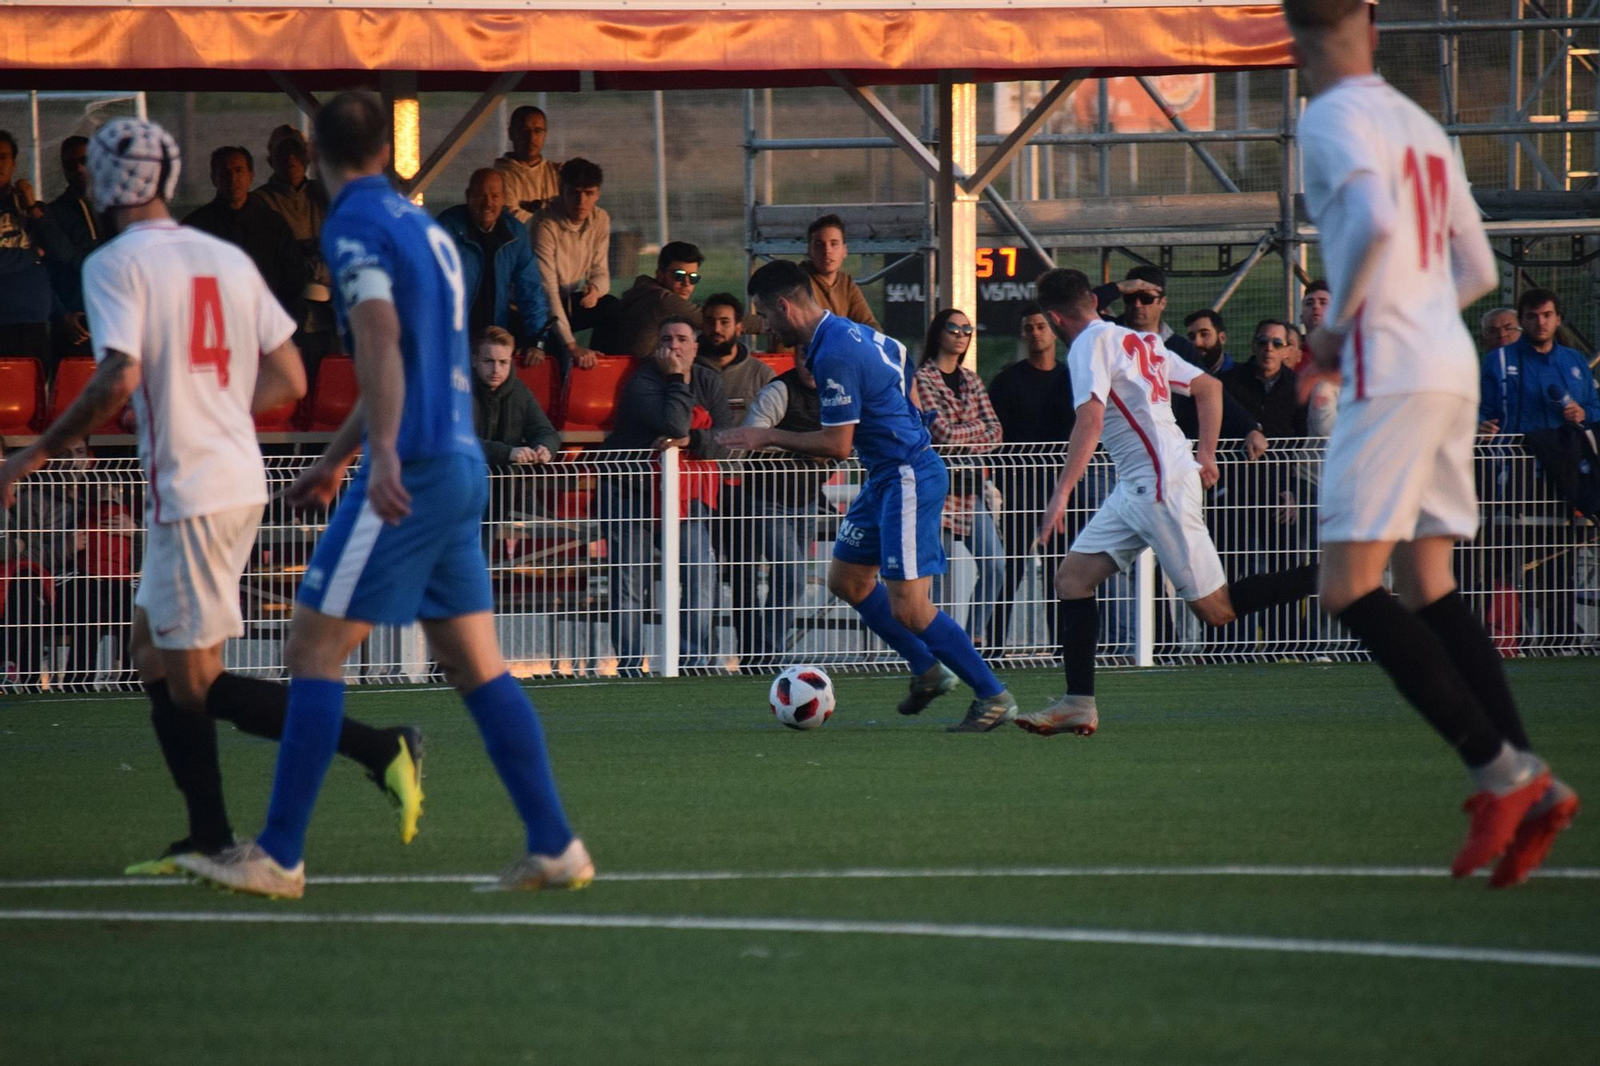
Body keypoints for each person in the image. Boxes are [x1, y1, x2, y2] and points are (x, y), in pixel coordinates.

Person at [176, 93, 590, 899]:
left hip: (418, 466)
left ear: (317, 152)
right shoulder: (423, 227)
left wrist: (385, 458)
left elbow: (374, 339)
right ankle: (554, 844)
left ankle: (280, 855)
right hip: (460, 461)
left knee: (312, 650)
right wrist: (339, 457)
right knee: (475, 664)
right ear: (387, 151)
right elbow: (411, 351)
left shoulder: (354, 223)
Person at [0, 116, 422, 875]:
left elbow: (118, 378)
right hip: (229, 476)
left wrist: (29, 455)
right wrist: (220, 409)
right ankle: (205, 836)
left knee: (195, 680)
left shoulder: (115, 262)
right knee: (153, 660)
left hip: (192, 487)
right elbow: (292, 377)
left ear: (103, 178)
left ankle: (375, 745)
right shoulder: (220, 257)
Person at [1289, 0, 1575, 887]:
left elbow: (1374, 223)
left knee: (1348, 585)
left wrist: (1337, 331)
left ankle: (1501, 772)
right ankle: (1533, 776)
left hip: (1394, 371)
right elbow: (1480, 269)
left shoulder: (1329, 116)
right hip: (1451, 362)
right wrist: (1421, 319)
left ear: (1294, 39)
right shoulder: (1418, 121)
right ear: (1372, 30)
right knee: (1429, 580)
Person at [1015, 268, 1317, 738]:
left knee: (1215, 611)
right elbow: (1209, 388)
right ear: (1091, 302)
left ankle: (1335, 574)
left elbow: (1090, 422)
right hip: (1140, 485)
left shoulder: (1088, 346)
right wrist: (1206, 452)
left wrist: (1060, 494)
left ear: (1054, 318)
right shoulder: (1141, 341)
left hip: (1158, 485)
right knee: (1072, 579)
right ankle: (1078, 702)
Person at [719, 260, 1017, 732]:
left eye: (765, 315)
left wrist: (767, 436)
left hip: (907, 477)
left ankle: (992, 695)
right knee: (849, 581)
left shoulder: (833, 352)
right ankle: (928, 670)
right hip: (886, 475)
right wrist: (904, 423)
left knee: (911, 607)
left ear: (783, 305)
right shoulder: (849, 332)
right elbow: (901, 361)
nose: (766, 327)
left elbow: (836, 447)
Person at [595, 316, 733, 674]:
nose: (674, 346)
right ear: (656, 347)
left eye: (682, 339)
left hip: (685, 496)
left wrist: (693, 440)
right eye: (666, 339)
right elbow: (672, 423)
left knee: (701, 573)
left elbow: (724, 439)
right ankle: (628, 667)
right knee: (629, 581)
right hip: (629, 492)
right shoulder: (641, 381)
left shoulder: (709, 380)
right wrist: (676, 379)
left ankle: (693, 662)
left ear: (695, 347)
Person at [1478, 287, 1600, 647]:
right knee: (1506, 560)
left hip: (1564, 475)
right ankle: (1505, 638)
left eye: (1546, 315)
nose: (1539, 322)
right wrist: (1480, 425)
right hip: (1515, 476)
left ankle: (1558, 639)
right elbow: (1481, 410)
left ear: (1557, 319)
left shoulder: (1575, 362)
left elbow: (1594, 409)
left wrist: (1583, 414)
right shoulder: (1498, 362)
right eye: (1531, 316)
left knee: (1559, 560)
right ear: (1523, 320)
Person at [984, 304, 1077, 651]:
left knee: (1061, 571)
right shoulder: (1007, 381)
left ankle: (1061, 647)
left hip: (1062, 491)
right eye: (1029, 328)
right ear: (1023, 334)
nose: (1036, 333)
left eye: (1041, 326)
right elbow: (995, 437)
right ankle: (992, 646)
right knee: (1010, 569)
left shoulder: (1071, 378)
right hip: (1020, 490)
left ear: (1053, 330)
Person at [913, 308, 1006, 644]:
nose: (961, 334)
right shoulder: (922, 379)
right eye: (954, 327)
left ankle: (971, 636)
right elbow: (941, 434)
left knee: (995, 564)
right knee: (938, 574)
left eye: (967, 329)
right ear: (939, 332)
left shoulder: (972, 379)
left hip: (970, 488)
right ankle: (936, 643)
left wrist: (967, 432)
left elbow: (996, 433)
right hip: (937, 490)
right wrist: (976, 430)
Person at [694, 291, 775, 662]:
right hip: (699, 485)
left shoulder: (761, 374)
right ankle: (700, 660)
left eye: (724, 321)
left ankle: (753, 658)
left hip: (744, 487)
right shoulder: (688, 368)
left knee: (744, 574)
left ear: (739, 327)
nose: (716, 328)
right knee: (699, 577)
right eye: (710, 320)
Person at [740, 358, 830, 659]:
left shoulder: (836, 393)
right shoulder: (778, 391)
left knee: (791, 579)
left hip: (806, 499)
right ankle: (769, 655)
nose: (810, 363)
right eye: (804, 355)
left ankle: (765, 653)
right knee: (791, 575)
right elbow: (752, 439)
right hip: (766, 498)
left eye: (815, 356)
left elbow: (847, 441)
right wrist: (809, 445)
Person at [182, 146, 305, 319]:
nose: (233, 178)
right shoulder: (195, 228)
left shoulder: (273, 224)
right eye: (225, 172)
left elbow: (292, 280)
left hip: (267, 322)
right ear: (213, 178)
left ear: (251, 176)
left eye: (239, 170)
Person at [254, 125, 337, 377]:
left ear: (307, 156)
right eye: (283, 152)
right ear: (270, 160)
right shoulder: (260, 202)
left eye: (295, 151)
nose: (290, 158)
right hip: (286, 315)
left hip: (331, 314)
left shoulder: (325, 195)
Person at [436, 169, 550, 352]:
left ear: (504, 199)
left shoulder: (515, 234)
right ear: (468, 196)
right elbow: (430, 289)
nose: (488, 203)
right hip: (451, 335)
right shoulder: (447, 229)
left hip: (494, 335)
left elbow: (531, 290)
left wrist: (537, 341)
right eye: (481, 195)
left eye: (495, 196)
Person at [531, 157, 614, 372]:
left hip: (567, 300)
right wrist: (571, 345)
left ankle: (598, 365)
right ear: (561, 190)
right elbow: (547, 290)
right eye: (574, 193)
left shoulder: (601, 218)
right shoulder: (545, 224)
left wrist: (595, 289)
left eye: (589, 194)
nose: (581, 202)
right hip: (535, 306)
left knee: (611, 307)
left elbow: (601, 269)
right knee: (557, 355)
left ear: (598, 194)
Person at [591, 240, 704, 358]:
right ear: (660, 275)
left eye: (693, 278)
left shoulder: (645, 292)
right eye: (679, 276)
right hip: (639, 371)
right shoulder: (661, 299)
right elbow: (709, 321)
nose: (686, 283)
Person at [42, 135, 99, 366]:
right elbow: (43, 272)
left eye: (85, 160)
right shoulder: (51, 214)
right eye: (69, 163)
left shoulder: (118, 209)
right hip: (74, 328)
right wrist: (61, 315)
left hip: (116, 323)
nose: (78, 168)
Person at [0, 129, 54, 359]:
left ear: (13, 163)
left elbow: (55, 250)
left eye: (3, 157)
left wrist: (31, 205)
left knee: (32, 390)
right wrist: (31, 254)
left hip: (33, 317)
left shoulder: (30, 208)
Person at [802, 214, 878, 328]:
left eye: (834, 244)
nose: (827, 251)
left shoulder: (846, 284)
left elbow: (869, 326)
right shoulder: (797, 282)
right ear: (809, 250)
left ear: (844, 251)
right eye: (819, 244)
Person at [494, 105, 562, 223]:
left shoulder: (557, 173)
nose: (531, 137)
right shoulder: (498, 176)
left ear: (545, 134)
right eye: (524, 130)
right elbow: (512, 217)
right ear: (511, 133)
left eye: (538, 131)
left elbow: (571, 213)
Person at [1183, 309, 1233, 374]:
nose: (1197, 343)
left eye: (1204, 334)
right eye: (1192, 337)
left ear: (1222, 338)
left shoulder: (1243, 376)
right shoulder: (1184, 377)